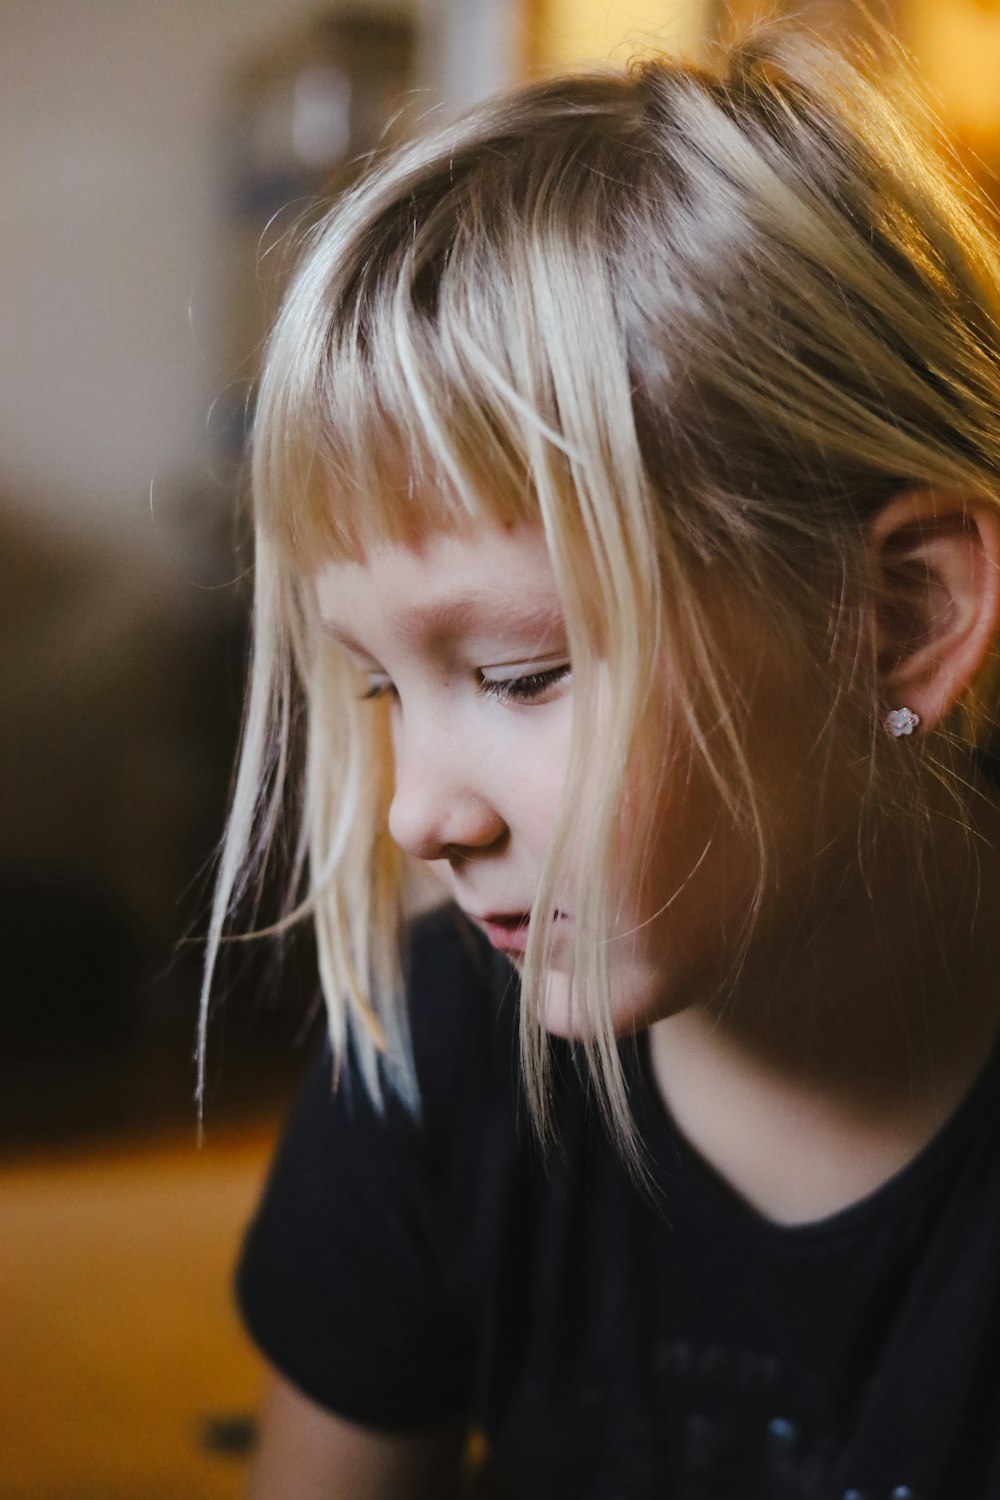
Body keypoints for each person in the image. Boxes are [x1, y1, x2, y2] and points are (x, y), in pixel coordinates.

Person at [208, 18, 1000, 1499]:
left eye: (519, 675)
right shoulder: (434, 1048)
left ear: (902, 617)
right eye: (379, 687)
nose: (416, 814)